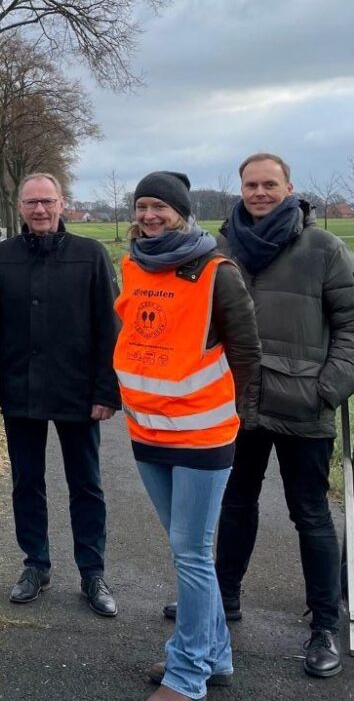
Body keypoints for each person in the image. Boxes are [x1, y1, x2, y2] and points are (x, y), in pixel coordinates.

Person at [166, 153, 353, 678]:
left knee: (310, 514)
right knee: (234, 505)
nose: (260, 193)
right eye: (252, 184)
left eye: (270, 184)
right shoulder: (219, 247)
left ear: (289, 187)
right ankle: (221, 602)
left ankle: (322, 624)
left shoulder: (324, 249)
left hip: (303, 405)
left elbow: (352, 325)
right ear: (240, 189)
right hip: (234, 404)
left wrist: (328, 388)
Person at [115, 171, 260, 701]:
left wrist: (238, 421)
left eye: (161, 207)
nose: (150, 215)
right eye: (143, 205)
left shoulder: (217, 271)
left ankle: (188, 674)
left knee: (192, 552)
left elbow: (247, 354)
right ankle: (214, 655)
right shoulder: (133, 264)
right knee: (185, 552)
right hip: (148, 431)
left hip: (203, 436)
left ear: (182, 212)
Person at [0, 173, 122, 617]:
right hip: (20, 389)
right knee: (26, 482)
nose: (40, 210)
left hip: (78, 392)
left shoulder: (91, 255)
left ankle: (92, 571)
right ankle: (35, 564)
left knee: (86, 485)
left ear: (62, 204)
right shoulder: (2, 258)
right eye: (31, 203)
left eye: (47, 202)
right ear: (19, 207)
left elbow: (108, 329)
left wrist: (106, 389)